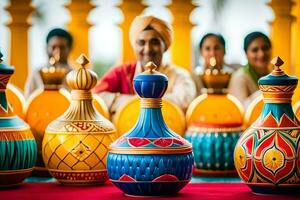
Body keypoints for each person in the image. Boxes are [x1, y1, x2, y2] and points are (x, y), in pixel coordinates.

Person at [94, 15, 196, 115]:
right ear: (135, 46)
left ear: (165, 46)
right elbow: (97, 97)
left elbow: (184, 101)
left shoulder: (179, 75)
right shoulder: (122, 72)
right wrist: (147, 102)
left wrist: (126, 102)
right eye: (141, 43)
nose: (148, 49)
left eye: (154, 42)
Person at [24, 28, 73, 98]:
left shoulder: (75, 76)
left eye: (62, 48)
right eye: (53, 47)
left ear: (69, 49)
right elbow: (28, 100)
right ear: (46, 48)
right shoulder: (37, 73)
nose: (57, 52)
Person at [228, 31, 271, 108]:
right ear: (246, 53)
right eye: (255, 50)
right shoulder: (239, 78)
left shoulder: (273, 74)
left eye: (265, 48)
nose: (261, 54)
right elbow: (241, 110)